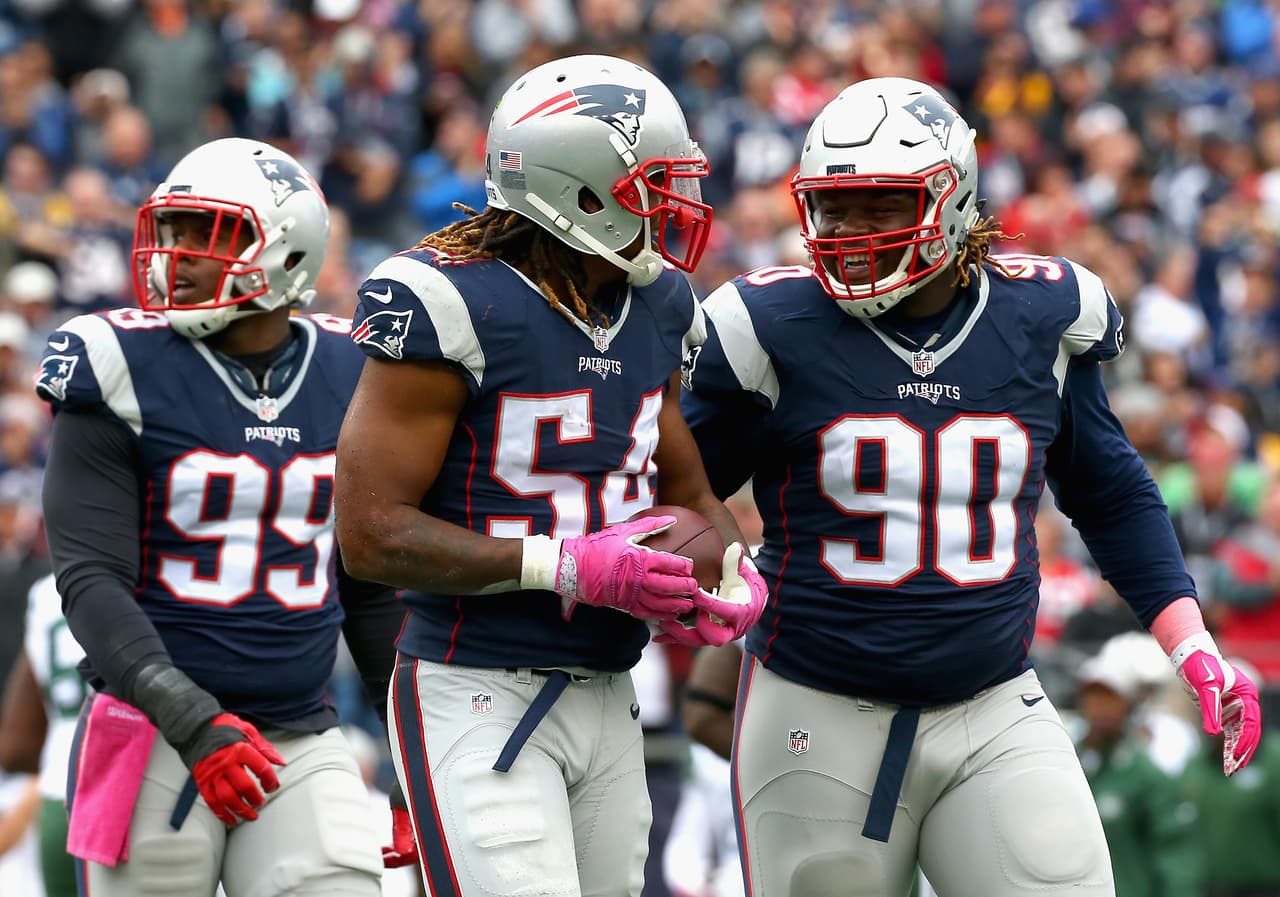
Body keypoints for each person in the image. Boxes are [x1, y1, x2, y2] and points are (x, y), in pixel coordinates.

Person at [680, 76, 1263, 897]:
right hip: (816, 706)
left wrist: (1191, 641)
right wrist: (699, 565)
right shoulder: (770, 328)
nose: (846, 231)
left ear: (950, 198)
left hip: (992, 701)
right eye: (832, 207)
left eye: (879, 205)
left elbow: (1111, 493)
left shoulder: (1038, 317)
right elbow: (681, 493)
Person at [334, 54, 768, 897]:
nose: (675, 206)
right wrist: (559, 563)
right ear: (580, 191)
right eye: (651, 184)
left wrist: (727, 569)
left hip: (610, 688)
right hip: (475, 687)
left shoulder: (660, 304)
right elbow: (369, 533)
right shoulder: (448, 301)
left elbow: (683, 490)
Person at [36, 137, 409, 897]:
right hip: (150, 729)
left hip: (299, 732)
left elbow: (369, 586)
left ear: (287, 250)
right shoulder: (113, 363)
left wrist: (410, 759)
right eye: (170, 230)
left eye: (207, 234)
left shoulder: (352, 371)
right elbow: (89, 576)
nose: (176, 254)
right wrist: (191, 716)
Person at [0, 574, 87, 897]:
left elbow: (15, 747)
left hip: (60, 793)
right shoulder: (153, 570)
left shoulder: (46, 591)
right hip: (148, 790)